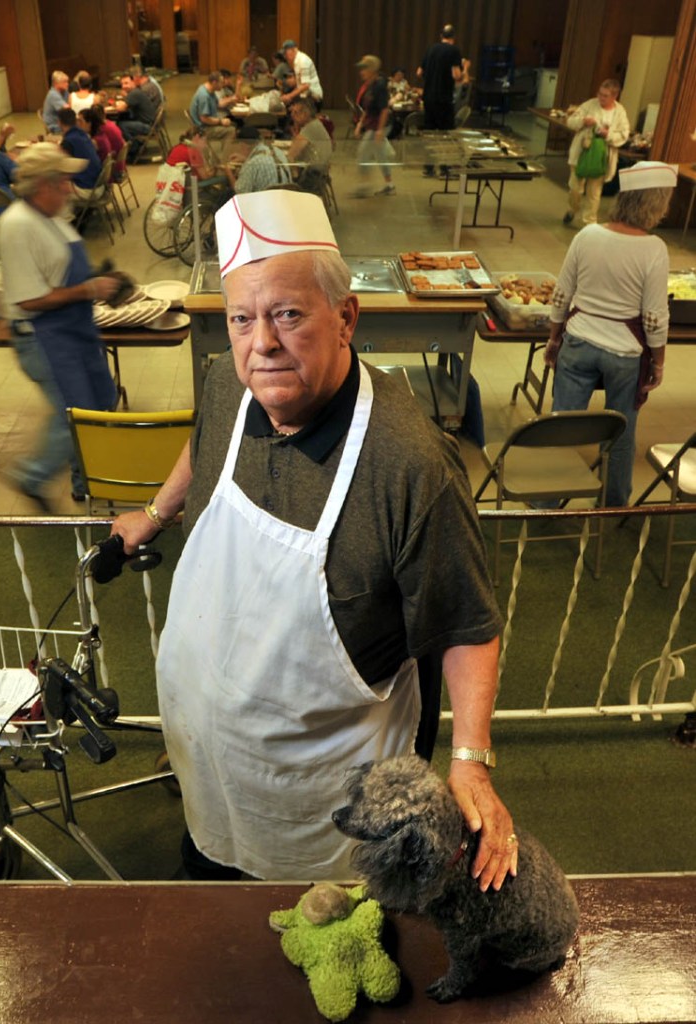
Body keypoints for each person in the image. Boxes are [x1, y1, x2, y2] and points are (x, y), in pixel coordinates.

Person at [111, 189, 516, 890]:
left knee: (330, 918)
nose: (260, 343)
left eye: (288, 315)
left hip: (330, 778)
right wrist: (154, 511)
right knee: (211, 891)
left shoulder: (409, 462)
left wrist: (469, 759)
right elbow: (202, 446)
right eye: (242, 318)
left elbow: (466, 624)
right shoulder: (225, 387)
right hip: (216, 759)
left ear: (345, 318)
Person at [544, 161, 676, 507]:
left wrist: (554, 338)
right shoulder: (654, 249)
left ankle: (544, 500)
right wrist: (658, 364)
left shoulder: (587, 235)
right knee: (620, 434)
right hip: (625, 354)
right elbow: (654, 317)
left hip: (578, 341)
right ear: (655, 202)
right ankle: (612, 503)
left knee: (561, 425)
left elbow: (562, 293)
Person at [0, 143, 119, 511]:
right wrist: (89, 288)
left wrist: (102, 281)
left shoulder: (52, 215)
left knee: (101, 402)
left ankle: (85, 481)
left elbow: (61, 267)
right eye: (63, 180)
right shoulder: (16, 225)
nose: (69, 187)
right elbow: (28, 300)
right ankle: (31, 477)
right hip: (44, 338)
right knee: (73, 417)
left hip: (74, 329)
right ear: (42, 185)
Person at [563, 79, 630, 227]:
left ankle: (589, 222)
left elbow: (624, 134)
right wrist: (582, 121)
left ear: (614, 96)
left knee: (594, 193)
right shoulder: (589, 105)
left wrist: (608, 135)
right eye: (600, 94)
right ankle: (572, 209)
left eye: (605, 96)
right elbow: (570, 121)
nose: (601, 98)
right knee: (575, 188)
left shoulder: (620, 112)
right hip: (581, 153)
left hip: (601, 157)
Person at [417, 24, 468, 176]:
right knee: (446, 134)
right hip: (444, 98)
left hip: (429, 97)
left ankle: (428, 168)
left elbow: (419, 72)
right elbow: (456, 76)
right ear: (454, 37)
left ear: (441, 35)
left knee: (430, 133)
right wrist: (465, 67)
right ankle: (445, 168)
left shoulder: (431, 49)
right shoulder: (454, 51)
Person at [352, 55, 395, 198]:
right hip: (373, 125)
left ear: (372, 69)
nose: (361, 72)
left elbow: (384, 110)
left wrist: (380, 130)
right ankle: (389, 185)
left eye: (364, 68)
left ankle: (364, 186)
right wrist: (359, 124)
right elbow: (367, 109)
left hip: (379, 126)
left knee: (363, 153)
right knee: (380, 155)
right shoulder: (369, 85)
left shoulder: (380, 86)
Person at [224, 126, 291, 194]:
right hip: (285, 200)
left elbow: (240, 192)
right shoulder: (278, 152)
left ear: (244, 145)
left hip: (264, 203)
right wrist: (246, 159)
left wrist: (228, 172)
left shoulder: (252, 164)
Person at [287, 96, 333, 195]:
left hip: (311, 178)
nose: (292, 116)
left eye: (296, 113)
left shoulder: (310, 129)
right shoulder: (315, 124)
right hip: (320, 174)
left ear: (305, 114)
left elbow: (291, 155)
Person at [188, 72, 235, 157]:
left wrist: (232, 99)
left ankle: (226, 154)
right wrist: (221, 122)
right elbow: (204, 119)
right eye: (221, 82)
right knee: (231, 131)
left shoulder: (208, 89)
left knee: (231, 123)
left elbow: (219, 104)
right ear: (214, 82)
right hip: (203, 129)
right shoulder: (204, 96)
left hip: (205, 125)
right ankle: (225, 159)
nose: (223, 85)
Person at [58, 108, 102, 198]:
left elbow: (61, 166)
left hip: (88, 190)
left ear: (59, 122)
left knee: (50, 187)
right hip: (99, 185)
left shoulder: (68, 141)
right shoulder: (83, 135)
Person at [115, 72, 158, 156]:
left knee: (121, 125)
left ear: (133, 82)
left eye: (126, 83)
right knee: (123, 120)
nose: (124, 86)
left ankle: (134, 148)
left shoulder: (134, 94)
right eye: (122, 84)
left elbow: (121, 108)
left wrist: (118, 104)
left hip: (148, 126)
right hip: (149, 123)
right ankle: (135, 145)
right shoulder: (135, 92)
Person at [281, 39, 323, 106]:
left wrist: (289, 96)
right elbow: (300, 84)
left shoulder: (303, 61)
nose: (285, 56)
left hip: (313, 97)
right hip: (305, 95)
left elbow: (305, 85)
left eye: (286, 53)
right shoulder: (296, 61)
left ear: (293, 50)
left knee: (291, 106)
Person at [91, 102, 126, 181]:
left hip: (111, 170)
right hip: (119, 166)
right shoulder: (111, 124)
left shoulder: (101, 130)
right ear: (104, 113)